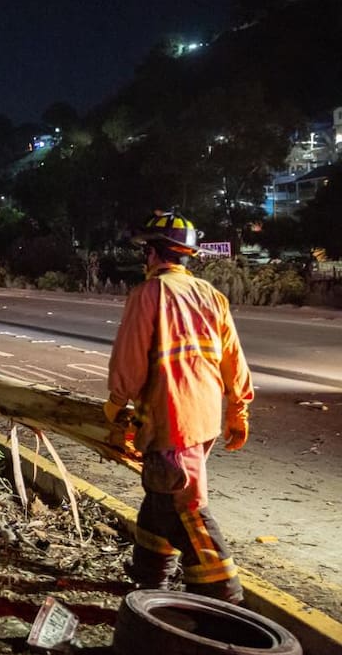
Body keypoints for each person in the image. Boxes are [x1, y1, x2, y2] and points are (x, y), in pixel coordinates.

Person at [105, 209, 253, 604]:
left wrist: (116, 409)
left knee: (186, 507)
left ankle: (226, 598)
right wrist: (239, 406)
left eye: (146, 251)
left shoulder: (148, 294)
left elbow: (130, 361)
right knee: (160, 497)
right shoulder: (211, 295)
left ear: (153, 254)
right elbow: (233, 358)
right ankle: (150, 577)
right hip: (204, 420)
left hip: (171, 418)